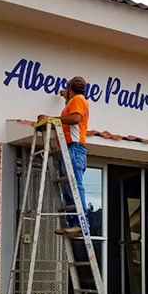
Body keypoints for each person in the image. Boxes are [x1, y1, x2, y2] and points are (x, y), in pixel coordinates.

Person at [56, 76, 89, 235]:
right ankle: (73, 223)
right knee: (68, 186)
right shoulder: (73, 100)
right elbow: (70, 111)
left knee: (74, 185)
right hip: (70, 148)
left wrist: (54, 120)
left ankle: (80, 223)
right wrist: (64, 95)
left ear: (71, 88)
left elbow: (75, 118)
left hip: (74, 148)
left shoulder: (78, 100)